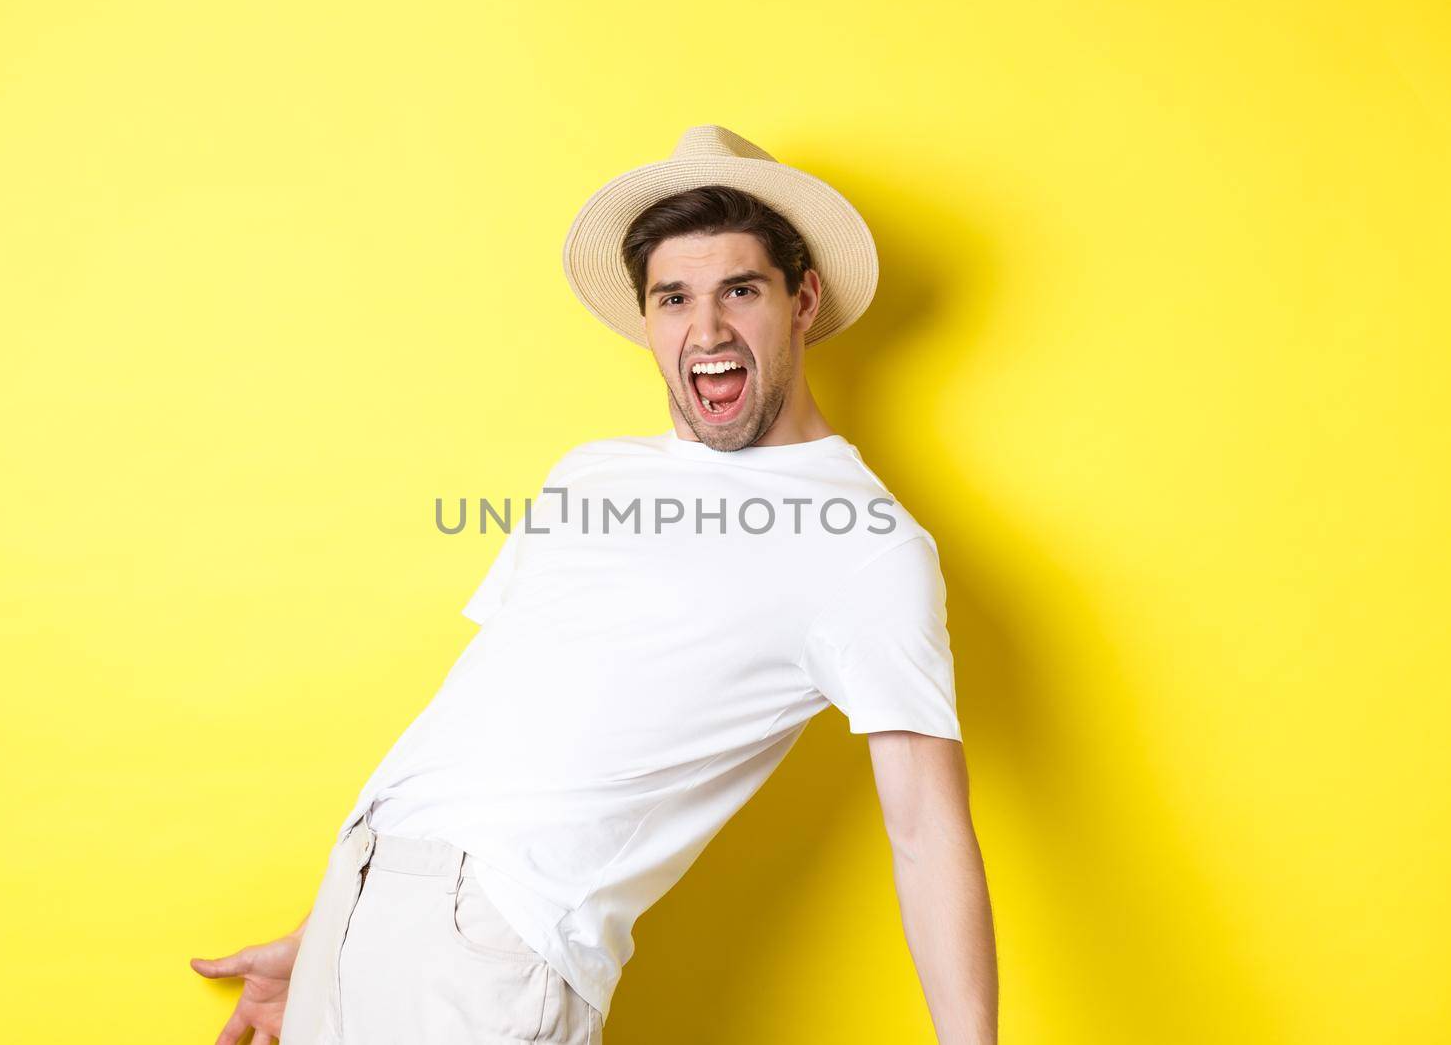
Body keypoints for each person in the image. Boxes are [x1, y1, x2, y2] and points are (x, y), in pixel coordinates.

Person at [190, 124, 998, 1044]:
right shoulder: (592, 474)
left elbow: (928, 832)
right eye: (674, 298)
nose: (708, 331)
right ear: (648, 319)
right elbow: (488, 704)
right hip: (366, 899)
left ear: (802, 298)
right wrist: (335, 937)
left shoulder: (862, 540)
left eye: (741, 289)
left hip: (497, 950)